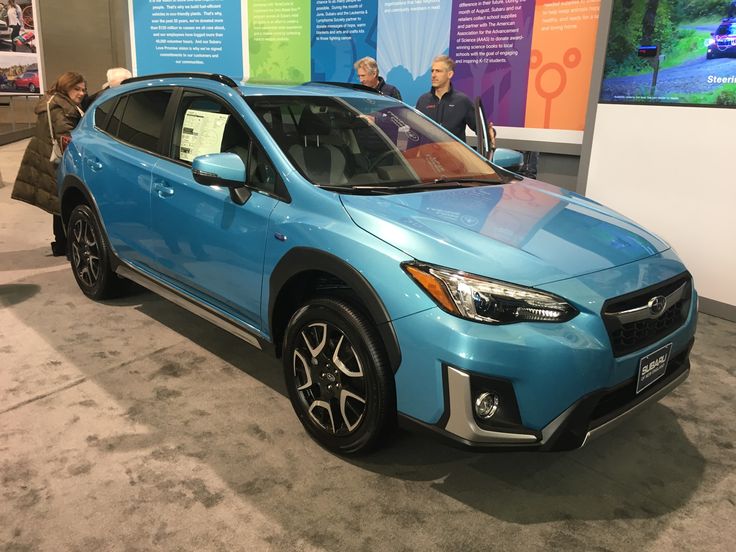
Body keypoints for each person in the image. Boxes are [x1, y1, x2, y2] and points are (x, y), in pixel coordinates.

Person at [12, 72, 87, 256]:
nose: (81, 93)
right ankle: (68, 246)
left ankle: (61, 244)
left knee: (57, 201)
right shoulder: (61, 108)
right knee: (63, 201)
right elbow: (66, 136)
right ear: (65, 87)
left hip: (46, 155)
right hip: (57, 159)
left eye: (83, 90)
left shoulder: (52, 102)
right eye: (76, 89)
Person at [415, 55, 495, 146]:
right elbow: (414, 133)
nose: (433, 75)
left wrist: (490, 132)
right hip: (426, 157)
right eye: (432, 71)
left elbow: (481, 130)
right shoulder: (423, 100)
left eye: (438, 71)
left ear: (450, 74)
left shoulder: (462, 101)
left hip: (454, 158)